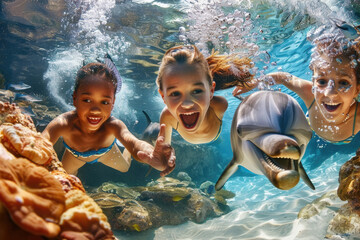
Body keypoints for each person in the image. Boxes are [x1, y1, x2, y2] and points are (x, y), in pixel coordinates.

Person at [233, 24, 360, 144]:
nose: (330, 92)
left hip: (347, 140)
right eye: (322, 81)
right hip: (312, 126)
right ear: (313, 81)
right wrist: (254, 82)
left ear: (357, 89)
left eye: (343, 82)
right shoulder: (310, 93)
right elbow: (284, 77)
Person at [42, 62, 175, 175]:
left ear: (113, 103)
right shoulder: (63, 124)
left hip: (107, 154)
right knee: (65, 178)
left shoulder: (114, 126)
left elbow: (134, 143)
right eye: (87, 100)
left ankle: (126, 154)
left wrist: (150, 153)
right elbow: (42, 142)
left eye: (104, 102)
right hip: (74, 155)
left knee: (125, 168)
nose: (95, 110)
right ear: (74, 98)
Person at [156, 45, 253, 144]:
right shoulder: (167, 116)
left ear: (211, 91)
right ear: (163, 96)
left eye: (197, 91)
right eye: (175, 93)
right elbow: (164, 148)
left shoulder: (220, 105)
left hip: (215, 136)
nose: (187, 103)